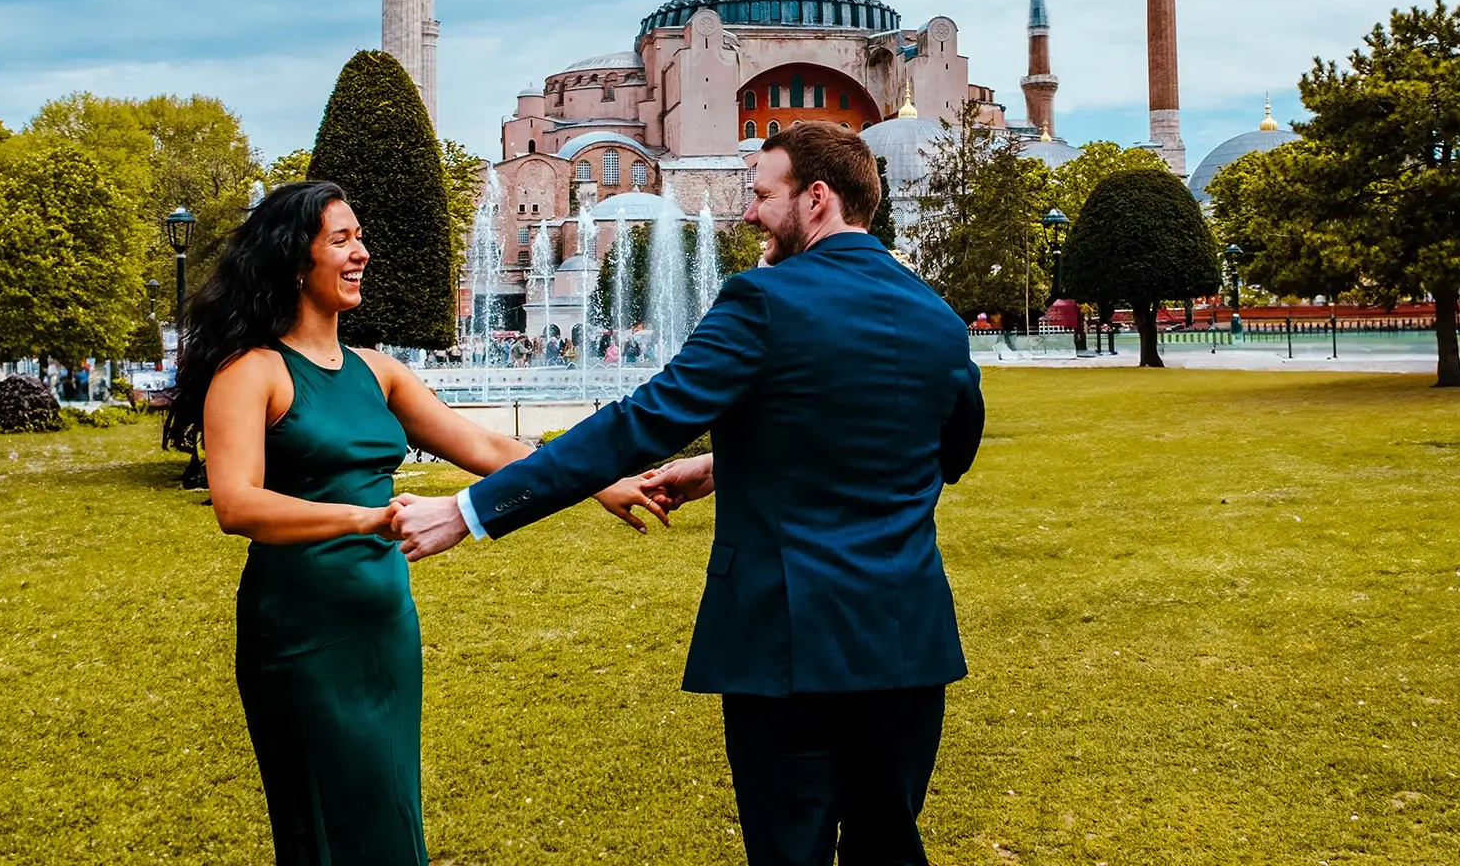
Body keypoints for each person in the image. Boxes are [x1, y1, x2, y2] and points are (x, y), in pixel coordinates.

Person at [390, 123, 985, 865]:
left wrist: (470, 509)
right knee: (889, 846)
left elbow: (638, 423)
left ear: (819, 199)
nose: (746, 214)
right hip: (907, 646)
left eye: (763, 195)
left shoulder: (763, 301)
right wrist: (721, 469)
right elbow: (941, 453)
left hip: (786, 649)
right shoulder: (936, 318)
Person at [164, 180, 663, 866]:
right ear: (292, 261)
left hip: (384, 624)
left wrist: (595, 480)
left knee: (388, 806)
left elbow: (486, 448)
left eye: (359, 237)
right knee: (328, 819)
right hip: (301, 634)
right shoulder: (251, 374)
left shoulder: (379, 371)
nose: (362, 252)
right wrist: (368, 518)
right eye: (340, 240)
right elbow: (237, 504)